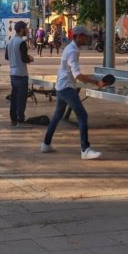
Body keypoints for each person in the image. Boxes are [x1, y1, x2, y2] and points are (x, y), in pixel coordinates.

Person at [41, 25, 105, 160]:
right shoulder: (72, 51)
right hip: (66, 88)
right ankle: (85, 149)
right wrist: (95, 82)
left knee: (57, 116)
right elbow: (78, 75)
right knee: (82, 116)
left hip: (61, 86)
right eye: (84, 36)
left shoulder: (71, 48)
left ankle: (46, 144)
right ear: (77, 36)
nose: (86, 38)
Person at [5, 21, 33, 127]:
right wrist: (30, 58)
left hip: (12, 73)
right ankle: (20, 118)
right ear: (21, 29)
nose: (26, 30)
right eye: (25, 29)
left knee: (14, 96)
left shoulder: (10, 41)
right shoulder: (21, 42)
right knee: (22, 98)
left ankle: (13, 118)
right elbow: (24, 58)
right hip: (21, 73)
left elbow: (7, 57)